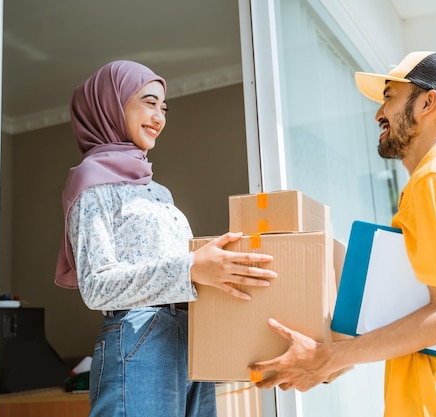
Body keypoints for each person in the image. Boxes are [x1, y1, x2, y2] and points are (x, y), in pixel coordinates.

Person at [249, 51, 436, 416]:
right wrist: (335, 360)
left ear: (427, 102)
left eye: (389, 96)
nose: (378, 114)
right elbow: (416, 310)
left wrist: (327, 358)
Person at [54, 60, 277, 417]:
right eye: (148, 102)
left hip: (191, 339)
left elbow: (186, 271)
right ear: (112, 104)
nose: (159, 116)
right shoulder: (91, 184)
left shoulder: (159, 192)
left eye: (164, 107)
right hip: (141, 338)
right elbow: (95, 286)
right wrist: (190, 268)